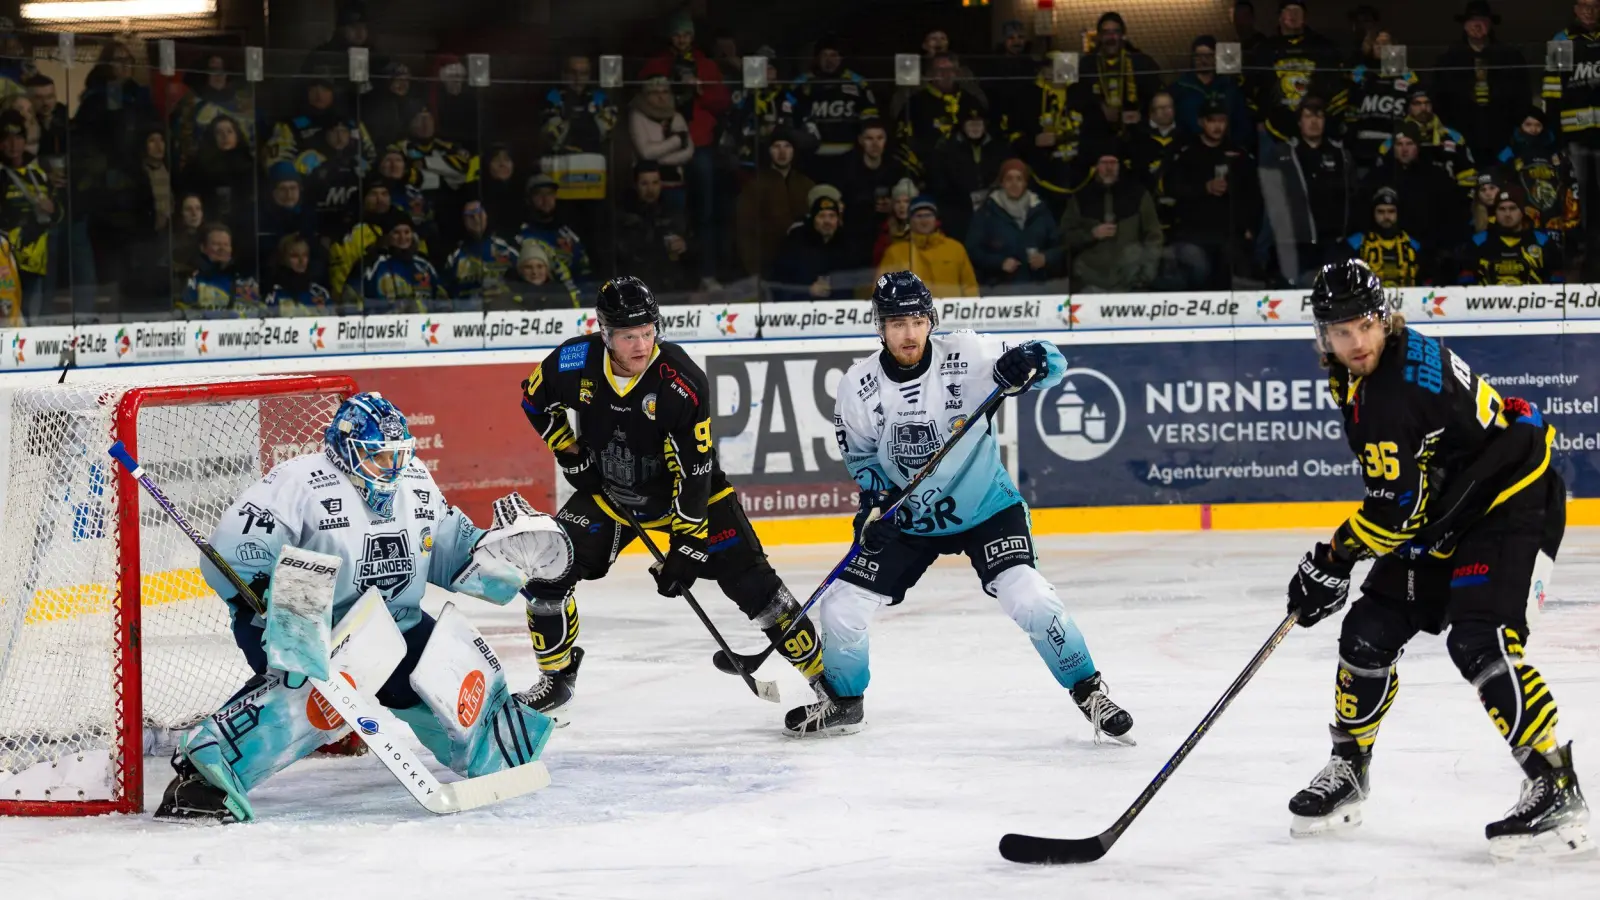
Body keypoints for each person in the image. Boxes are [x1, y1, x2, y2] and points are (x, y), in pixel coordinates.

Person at [1283, 259, 1589, 860]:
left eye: (1364, 325)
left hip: (1510, 502)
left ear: (1384, 318)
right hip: (1450, 506)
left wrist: (1336, 556)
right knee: (1366, 634)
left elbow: (1397, 510)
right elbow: (1409, 499)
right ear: (1323, 335)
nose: (1355, 342)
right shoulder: (1366, 372)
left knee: (1480, 638)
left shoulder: (1392, 390)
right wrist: (1340, 558)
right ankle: (1348, 769)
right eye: (1340, 331)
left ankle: (1554, 780)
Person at [153, 392, 572, 823]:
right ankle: (202, 778)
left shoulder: (413, 481)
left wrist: (502, 563)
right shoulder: (296, 484)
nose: (391, 468)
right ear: (345, 451)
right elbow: (230, 555)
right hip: (304, 623)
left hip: (393, 620)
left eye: (397, 455)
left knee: (452, 666)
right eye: (378, 457)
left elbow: (447, 545)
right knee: (305, 698)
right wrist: (280, 602)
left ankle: (496, 750)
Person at [783, 271, 1135, 738]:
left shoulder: (968, 354)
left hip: (986, 509)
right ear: (879, 328)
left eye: (916, 321)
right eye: (895, 323)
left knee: (1029, 596)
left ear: (931, 321)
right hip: (909, 518)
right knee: (841, 608)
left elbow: (1054, 364)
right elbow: (862, 457)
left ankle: (1088, 691)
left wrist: (1033, 359)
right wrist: (873, 505)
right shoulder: (858, 385)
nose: (907, 334)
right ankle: (844, 702)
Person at [514, 277, 830, 721]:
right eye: (627, 336)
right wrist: (569, 453)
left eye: (648, 332)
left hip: (694, 497)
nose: (641, 345)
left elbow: (695, 469)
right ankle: (557, 679)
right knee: (548, 568)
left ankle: (828, 684)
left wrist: (686, 544)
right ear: (604, 333)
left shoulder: (680, 381)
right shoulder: (573, 361)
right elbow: (532, 399)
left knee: (757, 589)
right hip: (610, 495)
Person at [1167, 98, 1261, 290]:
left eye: (1222, 120)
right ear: (1201, 122)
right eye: (1212, 120)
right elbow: (1173, 189)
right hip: (1193, 233)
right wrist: (1204, 188)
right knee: (1196, 266)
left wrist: (1249, 226)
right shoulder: (1186, 153)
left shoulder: (1238, 154)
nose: (1217, 126)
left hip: (1230, 233)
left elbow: (1253, 195)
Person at [1433, 2, 1531, 167]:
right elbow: (1438, 98)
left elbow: (1523, 96)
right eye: (1472, 20)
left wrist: (1515, 129)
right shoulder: (1449, 58)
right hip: (1461, 134)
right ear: (1464, 25)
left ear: (1490, 24)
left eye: (1482, 20)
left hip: (1501, 134)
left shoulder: (1509, 56)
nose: (1477, 25)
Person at [1060, 146, 1163, 292]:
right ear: (1096, 166)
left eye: (1113, 163)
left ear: (1120, 166)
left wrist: (1147, 272)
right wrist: (1092, 234)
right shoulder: (1081, 197)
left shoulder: (1138, 194)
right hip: (1090, 281)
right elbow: (1065, 236)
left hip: (1131, 281)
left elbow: (1154, 236)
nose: (1109, 168)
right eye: (1104, 163)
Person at [1246, 0, 1346, 143]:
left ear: (1305, 17)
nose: (1293, 15)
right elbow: (1250, 87)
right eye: (1288, 10)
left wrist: (1328, 119)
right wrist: (1260, 120)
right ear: (1279, 16)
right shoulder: (1264, 49)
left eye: (1298, 11)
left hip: (1316, 131)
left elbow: (1338, 86)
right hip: (1274, 130)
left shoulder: (1323, 46)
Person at [1543, 0, 1600, 233]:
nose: (1589, 11)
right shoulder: (1561, 41)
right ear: (1575, 9)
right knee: (1579, 191)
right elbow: (1552, 90)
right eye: (1584, 5)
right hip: (1574, 134)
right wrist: (1556, 133)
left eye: (1595, 5)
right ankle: (1584, 240)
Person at [792, 35, 878, 188]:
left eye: (833, 55)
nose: (829, 60)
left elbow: (870, 118)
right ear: (817, 58)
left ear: (841, 58)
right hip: (813, 155)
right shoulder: (802, 83)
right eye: (824, 55)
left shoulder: (857, 83)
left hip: (848, 154)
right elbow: (790, 112)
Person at [965, 159, 1062, 290]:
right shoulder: (987, 212)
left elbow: (1059, 246)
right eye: (1009, 179)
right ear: (1002, 183)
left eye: (1019, 179)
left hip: (1038, 287)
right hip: (999, 288)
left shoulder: (1040, 210)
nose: (1014, 184)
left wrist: (1045, 258)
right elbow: (973, 250)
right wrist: (999, 263)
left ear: (1025, 183)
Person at [927, 102, 1014, 242]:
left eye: (978, 124)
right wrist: (965, 199)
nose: (975, 128)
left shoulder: (998, 147)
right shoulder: (947, 150)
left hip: (993, 210)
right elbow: (939, 185)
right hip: (958, 212)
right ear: (962, 125)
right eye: (970, 124)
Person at [735, 130, 816, 279]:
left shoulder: (807, 185)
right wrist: (754, 271)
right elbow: (745, 232)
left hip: (803, 266)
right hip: (767, 267)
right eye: (776, 146)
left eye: (787, 146)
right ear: (769, 151)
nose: (782, 152)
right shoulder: (755, 186)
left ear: (794, 151)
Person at [1495, 107, 1580, 246]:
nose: (1533, 129)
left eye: (1538, 125)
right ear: (1520, 126)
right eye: (1528, 124)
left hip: (1553, 211)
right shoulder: (1509, 151)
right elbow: (1499, 176)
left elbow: (1569, 181)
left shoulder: (1555, 152)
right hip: (1522, 210)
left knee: (1554, 251)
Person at [1073, 12, 1161, 139]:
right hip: (1096, 136)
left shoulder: (1141, 62)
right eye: (1106, 33)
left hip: (1137, 134)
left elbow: (1157, 98)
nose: (1111, 37)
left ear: (1123, 35)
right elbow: (1077, 99)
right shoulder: (1086, 65)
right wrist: (1100, 109)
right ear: (1098, 36)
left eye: (1115, 32)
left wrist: (1141, 114)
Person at [875, 196, 979, 299]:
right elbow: (882, 290)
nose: (924, 221)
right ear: (910, 220)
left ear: (936, 219)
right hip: (912, 314)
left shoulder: (955, 249)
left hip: (950, 313)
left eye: (928, 215)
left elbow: (970, 287)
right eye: (919, 216)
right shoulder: (895, 252)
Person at [1459, 188, 1564, 284]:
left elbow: (1556, 282)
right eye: (1502, 209)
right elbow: (1465, 283)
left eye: (1513, 208)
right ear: (1495, 212)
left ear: (1522, 211)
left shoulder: (1542, 241)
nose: (1507, 214)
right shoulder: (1478, 242)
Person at [768, 192, 860, 301]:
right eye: (822, 216)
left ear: (838, 220)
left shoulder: (846, 244)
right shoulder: (795, 242)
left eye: (832, 216)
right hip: (800, 308)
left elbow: (852, 283)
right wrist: (808, 291)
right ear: (813, 219)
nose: (827, 221)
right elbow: (779, 284)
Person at [355, 210, 447, 312]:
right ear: (387, 237)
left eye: (407, 232)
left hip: (423, 325)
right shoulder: (374, 265)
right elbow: (354, 301)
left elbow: (443, 302)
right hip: (388, 326)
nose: (402, 237)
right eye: (396, 233)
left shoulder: (424, 266)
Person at [1172, 36, 1252, 145]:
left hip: (1225, 150)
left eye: (1208, 56)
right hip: (1189, 150)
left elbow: (1241, 121)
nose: (1203, 60)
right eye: (1198, 56)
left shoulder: (1229, 87)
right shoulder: (1180, 87)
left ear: (1216, 57)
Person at [1341, 187, 1423, 287]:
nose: (1386, 217)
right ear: (1373, 213)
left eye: (1391, 211)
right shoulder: (1355, 243)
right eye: (1380, 212)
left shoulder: (1412, 245)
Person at [178, 222, 260, 317]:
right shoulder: (193, 279)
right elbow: (186, 313)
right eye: (216, 244)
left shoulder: (245, 280)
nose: (222, 248)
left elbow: (258, 312)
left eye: (226, 245)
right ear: (203, 248)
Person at [445, 199, 519, 302]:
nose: (475, 219)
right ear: (464, 220)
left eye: (478, 213)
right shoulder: (455, 257)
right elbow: (446, 295)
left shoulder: (505, 249)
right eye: (470, 216)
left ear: (486, 216)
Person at [263, 233, 334, 316]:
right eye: (295, 256)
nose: (301, 261)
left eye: (305, 255)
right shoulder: (275, 295)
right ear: (283, 259)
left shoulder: (320, 293)